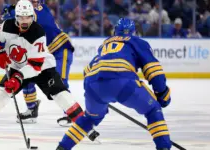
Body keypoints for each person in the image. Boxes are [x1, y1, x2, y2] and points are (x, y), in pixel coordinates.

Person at [0, 0, 84, 141]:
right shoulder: (7, 26)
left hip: (42, 67)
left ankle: (85, 126)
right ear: (16, 17)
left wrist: (17, 78)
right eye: (21, 17)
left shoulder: (38, 33)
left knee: (59, 93)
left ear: (32, 17)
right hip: (18, 66)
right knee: (0, 95)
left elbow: (35, 66)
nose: (24, 21)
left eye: (27, 17)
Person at [56, 18, 172, 150]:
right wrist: (162, 94)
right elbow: (153, 71)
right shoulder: (137, 42)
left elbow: (87, 70)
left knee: (89, 118)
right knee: (153, 109)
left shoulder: (105, 44)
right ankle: (163, 147)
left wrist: (101, 96)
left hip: (93, 85)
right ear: (133, 32)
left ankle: (62, 147)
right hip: (122, 82)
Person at [2, 0, 75, 126]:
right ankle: (31, 109)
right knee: (26, 75)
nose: (35, 3)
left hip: (60, 49)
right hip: (43, 52)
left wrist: (12, 11)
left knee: (60, 81)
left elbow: (28, 17)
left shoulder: (35, 12)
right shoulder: (37, 10)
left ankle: (70, 113)